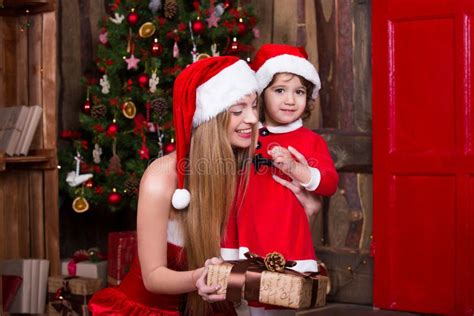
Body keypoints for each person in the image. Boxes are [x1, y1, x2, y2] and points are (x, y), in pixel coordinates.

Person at [88, 56, 260, 315]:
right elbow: (153, 276)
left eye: (255, 106)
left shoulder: (241, 170)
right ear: (210, 118)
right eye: (238, 110)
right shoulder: (161, 179)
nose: (252, 118)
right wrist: (201, 277)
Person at [237, 44, 339, 316]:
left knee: (280, 302)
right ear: (261, 95)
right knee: (244, 302)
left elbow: (329, 183)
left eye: (300, 92)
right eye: (280, 90)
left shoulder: (310, 141)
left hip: (285, 235)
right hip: (248, 231)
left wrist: (296, 168)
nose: (290, 100)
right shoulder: (249, 134)